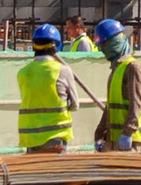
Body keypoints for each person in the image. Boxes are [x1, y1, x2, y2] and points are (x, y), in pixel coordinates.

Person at [16, 23, 90, 153]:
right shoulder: (63, 71)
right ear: (56, 46)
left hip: (30, 136)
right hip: (56, 136)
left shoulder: (23, 73)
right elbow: (75, 105)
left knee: (33, 167)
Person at [91, 18, 141, 151]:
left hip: (130, 141)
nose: (102, 49)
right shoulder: (117, 69)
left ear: (115, 41)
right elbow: (110, 107)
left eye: (104, 44)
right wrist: (99, 133)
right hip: (113, 139)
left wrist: (128, 132)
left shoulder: (133, 67)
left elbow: (136, 103)